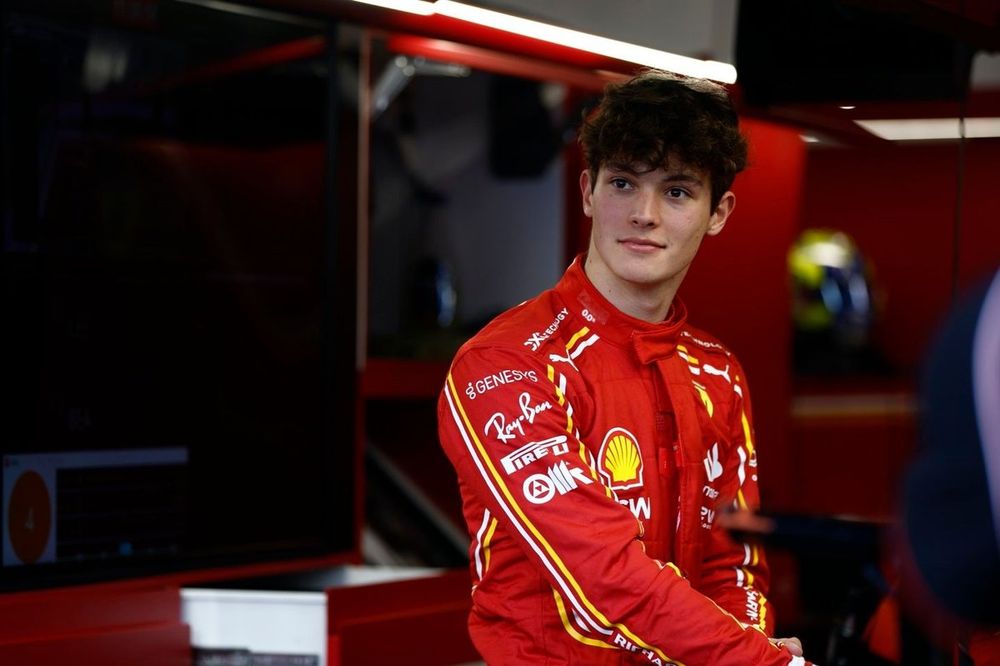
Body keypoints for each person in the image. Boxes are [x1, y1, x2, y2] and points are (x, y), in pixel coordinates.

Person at [437, 69, 812, 665]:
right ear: (587, 191)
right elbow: (600, 573)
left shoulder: (716, 372)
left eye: (678, 191)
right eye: (623, 183)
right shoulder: (506, 364)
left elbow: (730, 561)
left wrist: (750, 649)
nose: (644, 213)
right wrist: (762, 662)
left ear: (719, 212)